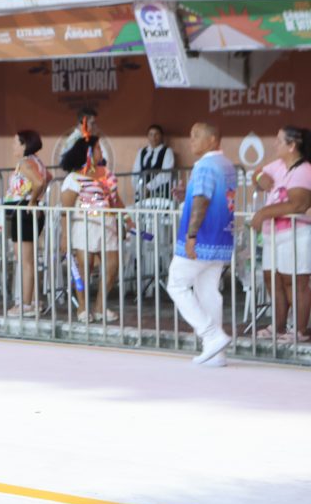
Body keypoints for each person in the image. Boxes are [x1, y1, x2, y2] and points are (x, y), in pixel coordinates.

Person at [166, 123, 237, 366]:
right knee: (208, 292)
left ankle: (211, 335)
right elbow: (207, 195)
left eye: (196, 135)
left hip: (203, 239)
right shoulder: (226, 164)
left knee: (176, 284)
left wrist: (191, 236)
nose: (191, 140)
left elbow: (202, 200)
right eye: (190, 134)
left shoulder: (205, 165)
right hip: (222, 240)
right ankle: (216, 353)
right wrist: (186, 193)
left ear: (213, 138)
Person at [59, 134, 130, 323]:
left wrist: (126, 220)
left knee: (112, 266)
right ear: (88, 152)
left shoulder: (106, 174)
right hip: (84, 227)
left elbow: (116, 201)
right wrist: (65, 236)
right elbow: (65, 209)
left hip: (108, 226)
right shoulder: (74, 178)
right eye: (98, 148)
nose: (101, 151)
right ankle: (82, 308)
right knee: (84, 267)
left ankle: (100, 307)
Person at [251, 126, 311, 343]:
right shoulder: (278, 165)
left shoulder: (304, 170)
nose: (275, 145)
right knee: (272, 279)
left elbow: (297, 203)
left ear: (292, 145)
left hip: (295, 233)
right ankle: (278, 326)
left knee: (294, 281)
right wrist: (259, 177)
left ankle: (300, 330)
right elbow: (258, 173)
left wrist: (262, 213)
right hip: (272, 234)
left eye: (279, 141)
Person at [4, 129, 51, 316]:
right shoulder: (36, 160)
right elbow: (48, 178)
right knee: (28, 260)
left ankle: (25, 305)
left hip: (23, 211)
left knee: (25, 261)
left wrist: (31, 202)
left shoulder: (25, 162)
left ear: (24, 144)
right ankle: (30, 300)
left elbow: (40, 182)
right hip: (27, 210)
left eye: (16, 142)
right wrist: (35, 200)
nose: (13, 146)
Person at [132, 124, 175, 203]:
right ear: (147, 136)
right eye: (151, 134)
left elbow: (166, 174)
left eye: (156, 134)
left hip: (160, 191)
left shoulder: (167, 151)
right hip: (142, 192)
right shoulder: (142, 151)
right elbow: (136, 171)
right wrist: (138, 188)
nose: (153, 137)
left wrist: (149, 187)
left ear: (161, 136)